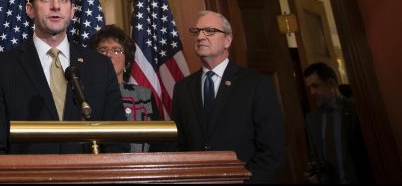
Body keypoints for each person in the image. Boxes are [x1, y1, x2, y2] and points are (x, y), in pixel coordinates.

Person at [0, 0, 127, 154]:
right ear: (30, 9)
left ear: (72, 11)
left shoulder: (100, 66)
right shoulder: (2, 67)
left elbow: (117, 141)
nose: (56, 6)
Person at [171, 10, 285, 183]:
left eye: (209, 31)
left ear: (227, 40)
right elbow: (179, 145)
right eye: (197, 31)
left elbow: (272, 150)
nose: (200, 37)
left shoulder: (255, 84)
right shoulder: (182, 88)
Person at [90, 25, 161, 152]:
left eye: (116, 50)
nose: (109, 55)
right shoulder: (85, 94)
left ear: (127, 62)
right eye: (102, 50)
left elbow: (159, 142)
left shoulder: (143, 95)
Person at [303, 62, 373, 184]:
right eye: (309, 88)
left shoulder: (356, 110)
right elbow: (314, 155)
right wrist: (315, 175)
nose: (312, 92)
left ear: (331, 83)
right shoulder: (311, 119)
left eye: (315, 86)